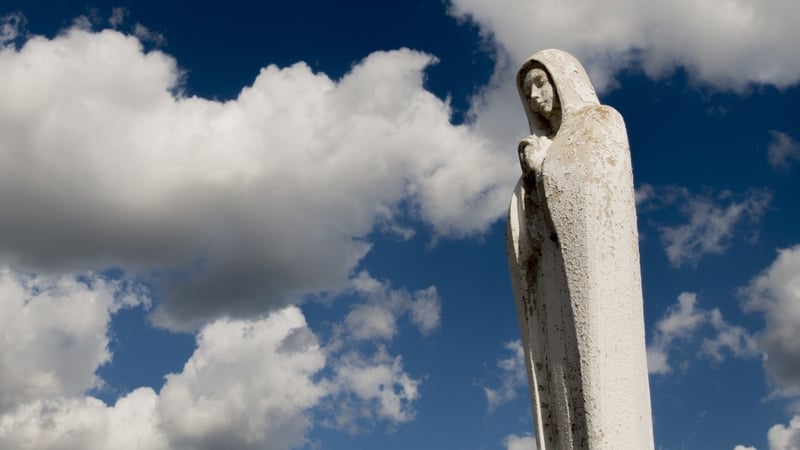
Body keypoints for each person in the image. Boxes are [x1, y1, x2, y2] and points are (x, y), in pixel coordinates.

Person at [506, 50, 653, 450]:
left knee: (597, 385)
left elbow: (591, 193)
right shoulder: (536, 150)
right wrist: (529, 189)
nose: (536, 96)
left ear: (563, 79)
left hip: (593, 285)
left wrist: (543, 169)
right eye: (527, 91)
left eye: (541, 82)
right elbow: (527, 243)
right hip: (552, 285)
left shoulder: (600, 124)